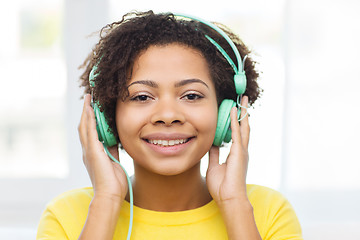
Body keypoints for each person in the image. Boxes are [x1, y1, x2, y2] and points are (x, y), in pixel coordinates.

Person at [36, 10, 303, 240]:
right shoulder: (67, 216)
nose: (167, 115)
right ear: (105, 117)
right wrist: (106, 201)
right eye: (142, 96)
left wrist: (234, 204)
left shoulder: (268, 212)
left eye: (191, 96)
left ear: (228, 113)